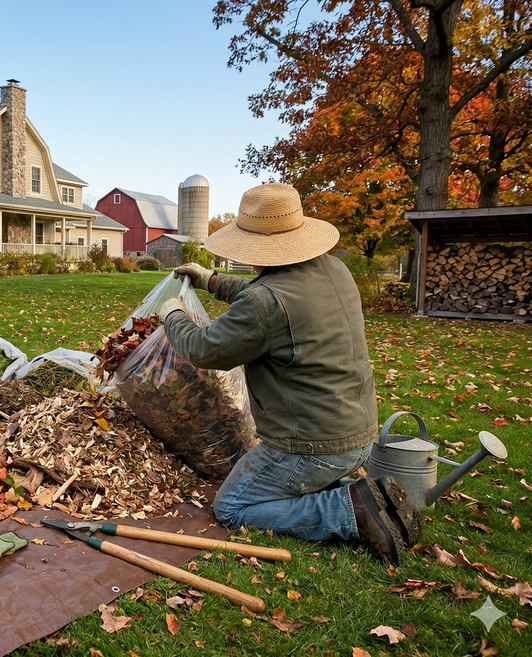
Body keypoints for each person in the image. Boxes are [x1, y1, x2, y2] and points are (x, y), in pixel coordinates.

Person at [158, 182, 421, 565]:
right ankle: (371, 495)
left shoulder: (266, 302)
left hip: (312, 446)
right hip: (359, 434)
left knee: (231, 507)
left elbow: (204, 348)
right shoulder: (334, 269)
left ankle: (350, 511)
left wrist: (173, 316)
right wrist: (212, 280)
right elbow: (266, 296)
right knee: (283, 488)